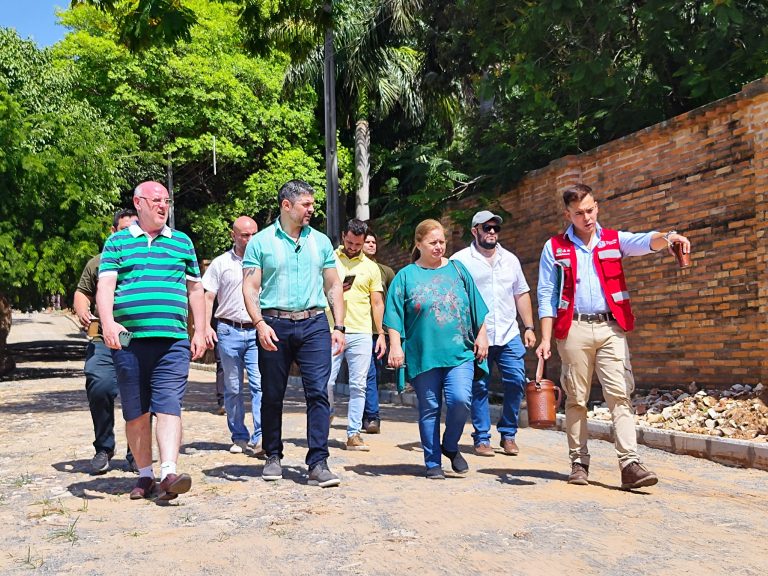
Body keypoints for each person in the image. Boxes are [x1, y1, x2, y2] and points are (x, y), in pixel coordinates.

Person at [536, 183, 691, 490]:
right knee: (576, 398)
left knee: (620, 395)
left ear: (597, 207)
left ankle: (629, 464)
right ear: (568, 214)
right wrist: (544, 338)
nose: (587, 217)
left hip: (611, 328)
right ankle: (579, 462)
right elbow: (545, 293)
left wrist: (670, 237)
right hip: (574, 329)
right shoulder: (554, 247)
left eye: (591, 210)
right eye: (579, 213)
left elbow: (645, 241)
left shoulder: (613, 240)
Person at [97, 181, 208, 501]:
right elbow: (105, 287)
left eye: (166, 201)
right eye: (156, 200)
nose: (163, 206)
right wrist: (108, 323)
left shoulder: (182, 242)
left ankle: (169, 472)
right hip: (129, 342)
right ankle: (145, 475)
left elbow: (195, 290)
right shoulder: (117, 242)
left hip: (172, 340)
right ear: (138, 203)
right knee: (136, 413)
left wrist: (199, 330)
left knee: (169, 404)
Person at [242, 179, 345, 488]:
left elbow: (333, 285)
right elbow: (249, 286)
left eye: (313, 204)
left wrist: (338, 326)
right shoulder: (260, 242)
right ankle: (273, 455)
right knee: (273, 394)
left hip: (315, 324)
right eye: (306, 205)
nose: (312, 209)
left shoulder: (321, 242)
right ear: (286, 206)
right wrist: (259, 323)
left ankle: (318, 462)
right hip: (274, 324)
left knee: (318, 392)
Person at [384, 219, 489, 479]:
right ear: (418, 244)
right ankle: (432, 463)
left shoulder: (458, 270)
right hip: (423, 354)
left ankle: (450, 446)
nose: (439, 247)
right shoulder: (405, 276)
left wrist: (483, 337)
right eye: (433, 242)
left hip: (459, 352)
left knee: (460, 400)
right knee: (429, 407)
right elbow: (394, 315)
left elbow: (477, 306)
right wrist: (395, 346)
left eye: (442, 242)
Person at [451, 210, 536, 457]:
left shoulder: (510, 260)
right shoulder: (460, 261)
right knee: (479, 386)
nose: (491, 232)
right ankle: (482, 437)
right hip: (477, 335)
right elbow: (455, 299)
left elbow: (521, 293)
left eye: (495, 228)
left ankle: (508, 433)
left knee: (517, 382)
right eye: (486, 228)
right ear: (474, 231)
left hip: (509, 333)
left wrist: (529, 326)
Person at [73, 208, 137, 475]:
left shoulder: (150, 258)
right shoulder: (98, 262)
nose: (129, 235)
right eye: (124, 230)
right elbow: (82, 292)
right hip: (103, 338)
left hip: (138, 340)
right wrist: (81, 309)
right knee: (99, 385)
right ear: (113, 232)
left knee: (140, 396)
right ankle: (104, 447)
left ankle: (137, 452)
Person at [202, 216, 263, 456]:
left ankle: (260, 437)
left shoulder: (263, 262)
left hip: (256, 330)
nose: (250, 239)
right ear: (233, 235)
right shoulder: (220, 263)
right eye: (245, 235)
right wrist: (205, 327)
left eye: (254, 234)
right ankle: (239, 435)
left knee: (260, 385)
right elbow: (207, 297)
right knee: (234, 387)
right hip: (228, 330)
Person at [325, 219, 385, 451]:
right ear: (343, 236)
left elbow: (377, 302)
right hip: (331, 328)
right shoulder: (328, 258)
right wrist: (334, 289)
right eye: (349, 242)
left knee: (359, 385)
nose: (352, 247)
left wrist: (380, 333)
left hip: (361, 330)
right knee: (326, 381)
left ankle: (353, 433)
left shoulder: (371, 267)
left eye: (357, 244)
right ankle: (328, 410)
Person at [361, 230, 395, 434]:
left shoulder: (385, 271)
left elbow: (393, 302)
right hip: (358, 329)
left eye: (374, 241)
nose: (371, 245)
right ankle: (372, 416)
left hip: (378, 331)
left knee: (374, 373)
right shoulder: (353, 267)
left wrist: (390, 330)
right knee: (367, 374)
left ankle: (368, 414)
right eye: (367, 241)